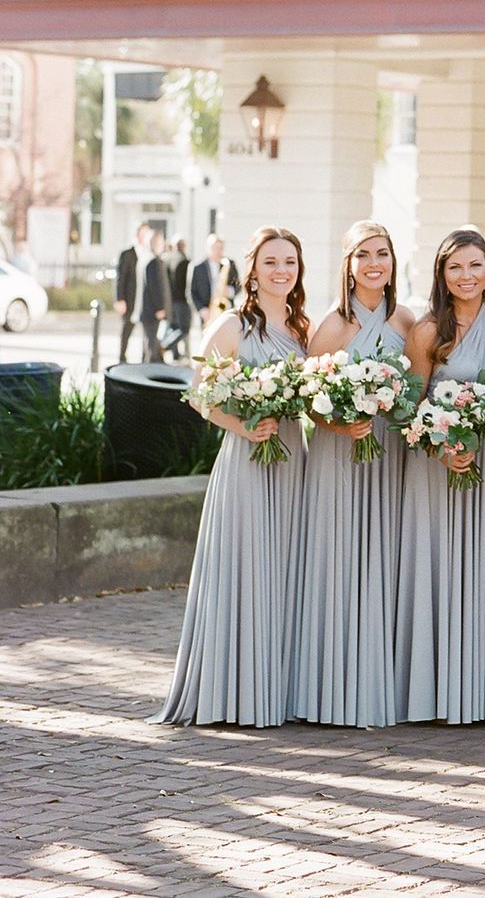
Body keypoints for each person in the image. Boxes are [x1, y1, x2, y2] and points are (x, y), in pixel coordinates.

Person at [152, 227, 311, 726]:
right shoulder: (230, 327)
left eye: (290, 262)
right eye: (271, 262)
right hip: (247, 459)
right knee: (244, 566)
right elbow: (198, 394)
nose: (281, 270)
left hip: (293, 460)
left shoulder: (303, 330)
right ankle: (233, 690)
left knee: (285, 569)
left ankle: (277, 690)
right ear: (252, 270)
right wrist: (242, 424)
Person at [296, 219, 415, 727]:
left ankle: (379, 680)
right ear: (347, 265)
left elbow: (417, 386)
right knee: (343, 558)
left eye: (382, 253)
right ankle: (333, 683)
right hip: (340, 454)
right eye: (363, 254)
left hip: (388, 451)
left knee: (384, 559)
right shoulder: (333, 324)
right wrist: (341, 425)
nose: (374, 264)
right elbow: (308, 397)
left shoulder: (406, 320)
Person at [395, 228, 485, 725]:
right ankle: (435, 691)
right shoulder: (426, 331)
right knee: (438, 571)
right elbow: (407, 409)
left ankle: (480, 689)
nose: (467, 276)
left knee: (483, 571)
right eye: (456, 267)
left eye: (475, 265)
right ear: (442, 274)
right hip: (436, 469)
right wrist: (441, 451)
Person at [114, 221, 151, 363]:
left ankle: (144, 359)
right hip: (130, 299)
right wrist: (120, 299)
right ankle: (122, 358)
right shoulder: (127, 254)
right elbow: (120, 278)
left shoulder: (149, 254)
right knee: (127, 330)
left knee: (146, 333)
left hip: (144, 300)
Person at [138, 229, 171, 363]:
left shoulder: (145, 258)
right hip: (152, 311)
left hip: (147, 311)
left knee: (149, 344)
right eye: (161, 241)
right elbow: (154, 286)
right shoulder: (152, 261)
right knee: (151, 346)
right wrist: (160, 308)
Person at [188, 233, 239, 314]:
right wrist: (201, 310)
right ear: (208, 248)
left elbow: (238, 285)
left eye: (220, 248)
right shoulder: (198, 268)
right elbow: (192, 292)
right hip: (207, 311)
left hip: (225, 309)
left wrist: (229, 291)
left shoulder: (229, 264)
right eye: (214, 248)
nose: (218, 251)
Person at [164, 238, 193, 360]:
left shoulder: (166, 259)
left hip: (169, 301)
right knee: (184, 329)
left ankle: (175, 355)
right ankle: (165, 345)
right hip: (182, 300)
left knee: (173, 327)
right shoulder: (184, 261)